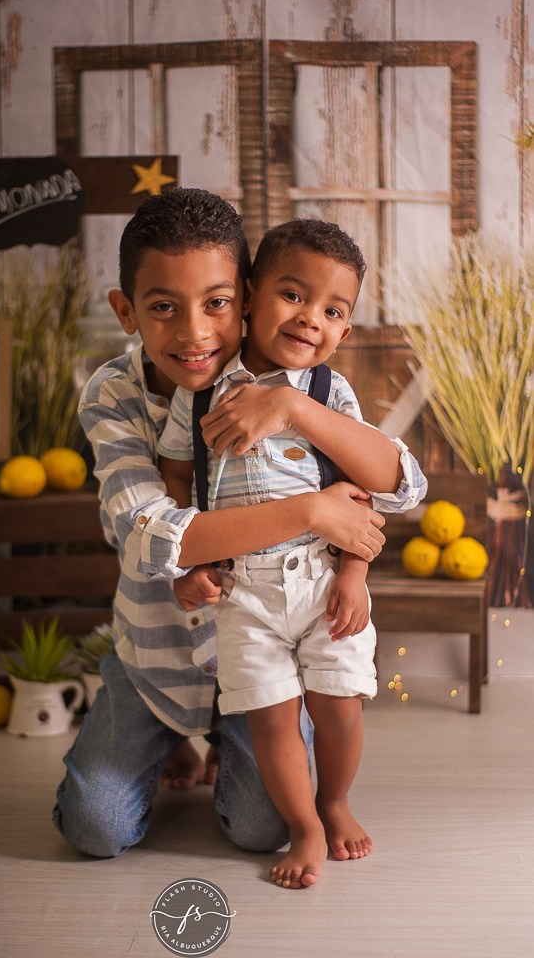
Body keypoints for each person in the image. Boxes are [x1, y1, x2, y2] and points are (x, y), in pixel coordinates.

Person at [52, 189, 416, 861]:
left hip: (267, 643)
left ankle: (233, 746)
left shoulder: (309, 390)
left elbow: (392, 484)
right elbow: (148, 532)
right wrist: (310, 512)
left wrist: (294, 410)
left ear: (243, 298)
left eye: (215, 304)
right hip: (157, 658)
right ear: (126, 311)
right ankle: (175, 738)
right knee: (94, 829)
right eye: (163, 307)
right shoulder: (119, 394)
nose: (194, 333)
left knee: (260, 829)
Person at [157, 217, 427, 889]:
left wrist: (357, 574)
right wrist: (189, 563)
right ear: (249, 295)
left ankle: (334, 801)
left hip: (322, 580)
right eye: (293, 295)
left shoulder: (328, 395)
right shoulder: (201, 390)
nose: (311, 318)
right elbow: (175, 477)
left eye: (333, 310)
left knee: (338, 705)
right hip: (242, 593)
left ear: (344, 331)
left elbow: (369, 491)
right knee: (275, 718)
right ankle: (304, 825)